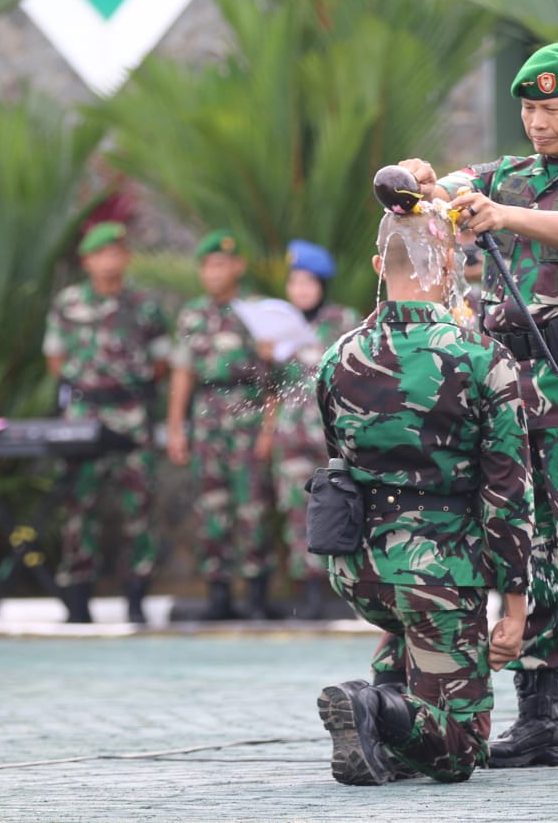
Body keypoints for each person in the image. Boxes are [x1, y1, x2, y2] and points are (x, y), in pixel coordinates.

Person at [400, 39, 558, 770]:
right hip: (507, 390)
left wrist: (504, 217)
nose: (538, 122)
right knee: (526, 544)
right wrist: (420, 179)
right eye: (529, 108)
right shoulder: (502, 173)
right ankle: (537, 716)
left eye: (552, 107)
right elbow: (439, 183)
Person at [315, 203, 533, 785]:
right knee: (461, 745)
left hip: (357, 569)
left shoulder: (337, 358)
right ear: (450, 263)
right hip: (440, 570)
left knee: (412, 619)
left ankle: (385, 707)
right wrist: (513, 608)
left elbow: (341, 458)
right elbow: (508, 490)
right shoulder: (481, 357)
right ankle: (376, 707)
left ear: (378, 264)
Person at [43, 222, 169, 624]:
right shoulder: (68, 303)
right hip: (84, 414)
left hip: (131, 414)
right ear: (87, 261)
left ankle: (135, 597)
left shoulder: (144, 305)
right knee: (79, 505)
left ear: (125, 257)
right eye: (102, 254)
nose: (110, 260)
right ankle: (78, 601)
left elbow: (161, 360)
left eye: (117, 252)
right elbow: (55, 358)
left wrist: (126, 383)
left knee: (139, 506)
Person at [166, 230, 275, 621]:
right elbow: (182, 374)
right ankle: (218, 594)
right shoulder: (193, 315)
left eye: (221, 264)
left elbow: (273, 377)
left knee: (252, 507)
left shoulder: (256, 311)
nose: (213, 273)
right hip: (207, 416)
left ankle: (258, 596)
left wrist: (268, 428)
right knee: (211, 507)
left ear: (238, 267)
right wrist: (176, 428)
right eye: (207, 266)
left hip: (246, 413)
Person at [255, 240, 358, 619]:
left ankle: (345, 594)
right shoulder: (278, 328)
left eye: (307, 282)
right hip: (292, 436)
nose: (300, 290)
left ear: (321, 285)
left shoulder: (343, 322)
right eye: (294, 282)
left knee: (344, 508)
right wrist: (267, 432)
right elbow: (269, 389)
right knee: (298, 513)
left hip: (334, 437)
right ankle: (310, 596)